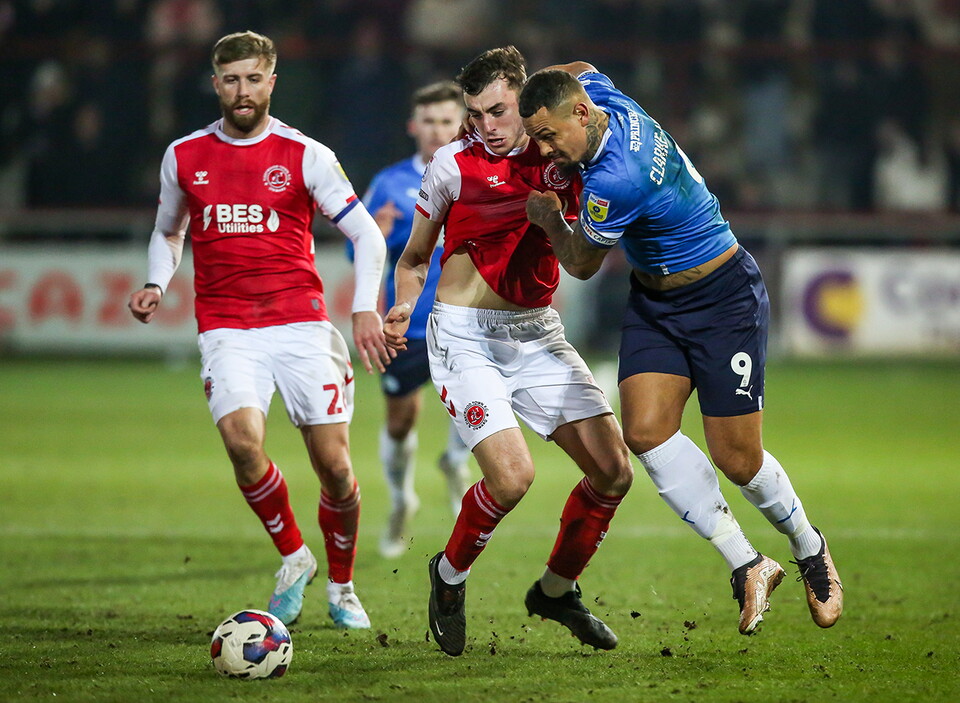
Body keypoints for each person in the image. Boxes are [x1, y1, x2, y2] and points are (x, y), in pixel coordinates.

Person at [519, 63, 844, 635]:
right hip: (656, 303)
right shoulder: (601, 98)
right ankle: (748, 564)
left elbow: (582, 264)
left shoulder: (616, 179)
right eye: (536, 136)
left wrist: (549, 220)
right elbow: (582, 68)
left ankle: (809, 546)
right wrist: (528, 85)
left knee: (738, 459)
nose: (543, 149)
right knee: (644, 433)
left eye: (548, 136)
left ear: (580, 115)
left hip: (724, 300)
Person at [127, 31, 390, 630]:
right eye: (231, 80)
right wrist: (156, 282)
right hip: (227, 326)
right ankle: (295, 558)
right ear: (215, 84)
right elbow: (168, 231)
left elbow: (367, 234)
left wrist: (364, 308)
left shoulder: (306, 154)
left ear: (271, 82)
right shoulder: (184, 155)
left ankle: (343, 586)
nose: (242, 91)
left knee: (336, 470)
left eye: (252, 79)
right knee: (243, 445)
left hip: (301, 325)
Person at [382, 47, 634, 657]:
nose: (486, 126)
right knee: (513, 478)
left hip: (537, 332)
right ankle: (449, 575)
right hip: (464, 337)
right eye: (475, 114)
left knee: (614, 472)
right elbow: (414, 257)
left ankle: (556, 591)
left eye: (497, 111)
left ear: (525, 99)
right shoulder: (452, 165)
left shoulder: (562, 155)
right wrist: (401, 305)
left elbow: (585, 81)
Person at [357, 81, 472, 558]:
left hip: (465, 319)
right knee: (401, 422)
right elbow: (358, 251)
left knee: (476, 405)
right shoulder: (388, 183)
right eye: (429, 121)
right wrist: (376, 235)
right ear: (413, 126)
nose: (437, 130)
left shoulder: (477, 173)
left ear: (461, 124)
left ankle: (455, 460)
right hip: (408, 323)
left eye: (446, 121)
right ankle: (401, 498)